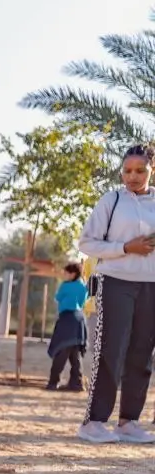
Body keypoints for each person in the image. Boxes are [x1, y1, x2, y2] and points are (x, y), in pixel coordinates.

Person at [76, 144, 155, 444]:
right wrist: (125, 248)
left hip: (151, 285)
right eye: (127, 171)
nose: (132, 177)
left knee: (141, 354)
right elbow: (87, 243)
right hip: (115, 282)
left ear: (152, 170)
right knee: (111, 351)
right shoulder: (112, 200)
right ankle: (94, 422)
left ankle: (129, 422)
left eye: (140, 171)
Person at [46, 263, 87, 392]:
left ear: (73, 274)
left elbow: (58, 298)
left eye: (66, 273)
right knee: (75, 354)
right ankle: (76, 384)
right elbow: (82, 302)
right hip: (79, 320)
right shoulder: (83, 286)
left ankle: (53, 383)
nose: (64, 275)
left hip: (67, 319)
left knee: (61, 351)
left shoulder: (65, 286)